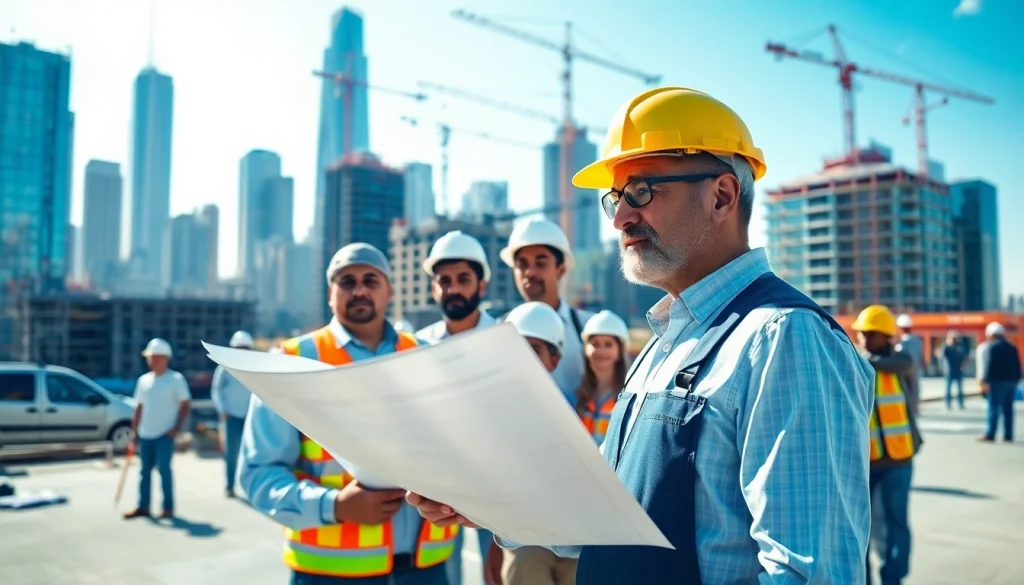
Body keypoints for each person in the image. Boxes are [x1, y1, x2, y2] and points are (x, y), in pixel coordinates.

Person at [408, 86, 875, 584]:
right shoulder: (663, 343)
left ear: (721, 196)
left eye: (642, 192)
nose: (621, 218)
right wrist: (487, 498)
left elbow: (809, 573)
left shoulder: (785, 338)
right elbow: (605, 517)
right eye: (615, 199)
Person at [239, 243, 457, 585]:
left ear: (389, 291)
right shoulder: (291, 362)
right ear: (330, 293)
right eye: (347, 282)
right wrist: (335, 505)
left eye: (371, 280)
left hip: (426, 570)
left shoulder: (427, 357)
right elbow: (258, 474)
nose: (359, 290)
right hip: (330, 574)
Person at [414, 231, 497, 585]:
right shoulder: (418, 346)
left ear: (481, 285)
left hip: (496, 481)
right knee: (443, 575)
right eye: (444, 281)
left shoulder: (506, 340)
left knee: (496, 574)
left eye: (463, 279)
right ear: (433, 288)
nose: (453, 289)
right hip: (440, 484)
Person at [498, 301, 577, 585]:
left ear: (554, 360)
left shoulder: (575, 409)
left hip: (575, 538)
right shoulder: (494, 414)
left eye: (534, 349)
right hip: (524, 543)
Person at [851, 305, 922, 585]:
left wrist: (861, 359)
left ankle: (893, 578)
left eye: (871, 334)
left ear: (886, 336)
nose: (864, 339)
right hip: (866, 460)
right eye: (862, 334)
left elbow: (898, 363)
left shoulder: (900, 361)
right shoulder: (856, 363)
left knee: (897, 522)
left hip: (899, 458)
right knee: (861, 527)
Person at [498, 219, 595, 404]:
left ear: (561, 270)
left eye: (540, 263)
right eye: (522, 264)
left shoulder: (588, 329)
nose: (530, 272)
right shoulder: (498, 331)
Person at [123, 338, 191, 520]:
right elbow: (139, 407)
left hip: (164, 434)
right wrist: (134, 431)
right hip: (146, 433)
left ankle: (168, 507)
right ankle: (143, 506)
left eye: (155, 357)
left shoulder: (175, 380)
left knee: (164, 471)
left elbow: (185, 405)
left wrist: (176, 429)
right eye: (150, 357)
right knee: (144, 472)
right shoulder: (143, 381)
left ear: (165, 358)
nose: (151, 361)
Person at [211, 329, 256, 497]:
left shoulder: (256, 366)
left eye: (244, 348)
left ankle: (250, 487)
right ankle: (229, 486)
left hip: (251, 416)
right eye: (239, 348)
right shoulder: (224, 366)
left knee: (253, 453)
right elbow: (216, 389)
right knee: (231, 453)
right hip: (231, 417)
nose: (242, 351)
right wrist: (222, 410)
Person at [575, 310, 630, 446]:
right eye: (595, 344)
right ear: (585, 349)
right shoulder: (576, 398)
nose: (601, 350)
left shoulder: (630, 398)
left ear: (620, 350)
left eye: (608, 344)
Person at [979, 322, 1022, 443]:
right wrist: (1017, 379)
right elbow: (1018, 365)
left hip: (996, 382)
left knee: (993, 408)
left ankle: (991, 433)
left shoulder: (992, 347)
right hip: (1011, 382)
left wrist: (985, 381)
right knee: (1008, 409)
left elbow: (990, 365)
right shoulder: (1012, 347)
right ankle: (1008, 435)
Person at [896, 314, 926, 392]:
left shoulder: (901, 342)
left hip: (904, 375)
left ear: (900, 328)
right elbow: (922, 359)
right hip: (915, 374)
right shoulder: (918, 341)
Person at [940, 331, 966, 410]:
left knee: (960, 388)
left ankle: (960, 403)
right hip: (949, 369)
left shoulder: (960, 347)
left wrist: (963, 365)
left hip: (958, 369)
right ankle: (948, 403)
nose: (954, 340)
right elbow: (942, 358)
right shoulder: (946, 347)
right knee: (948, 387)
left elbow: (964, 356)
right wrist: (943, 368)